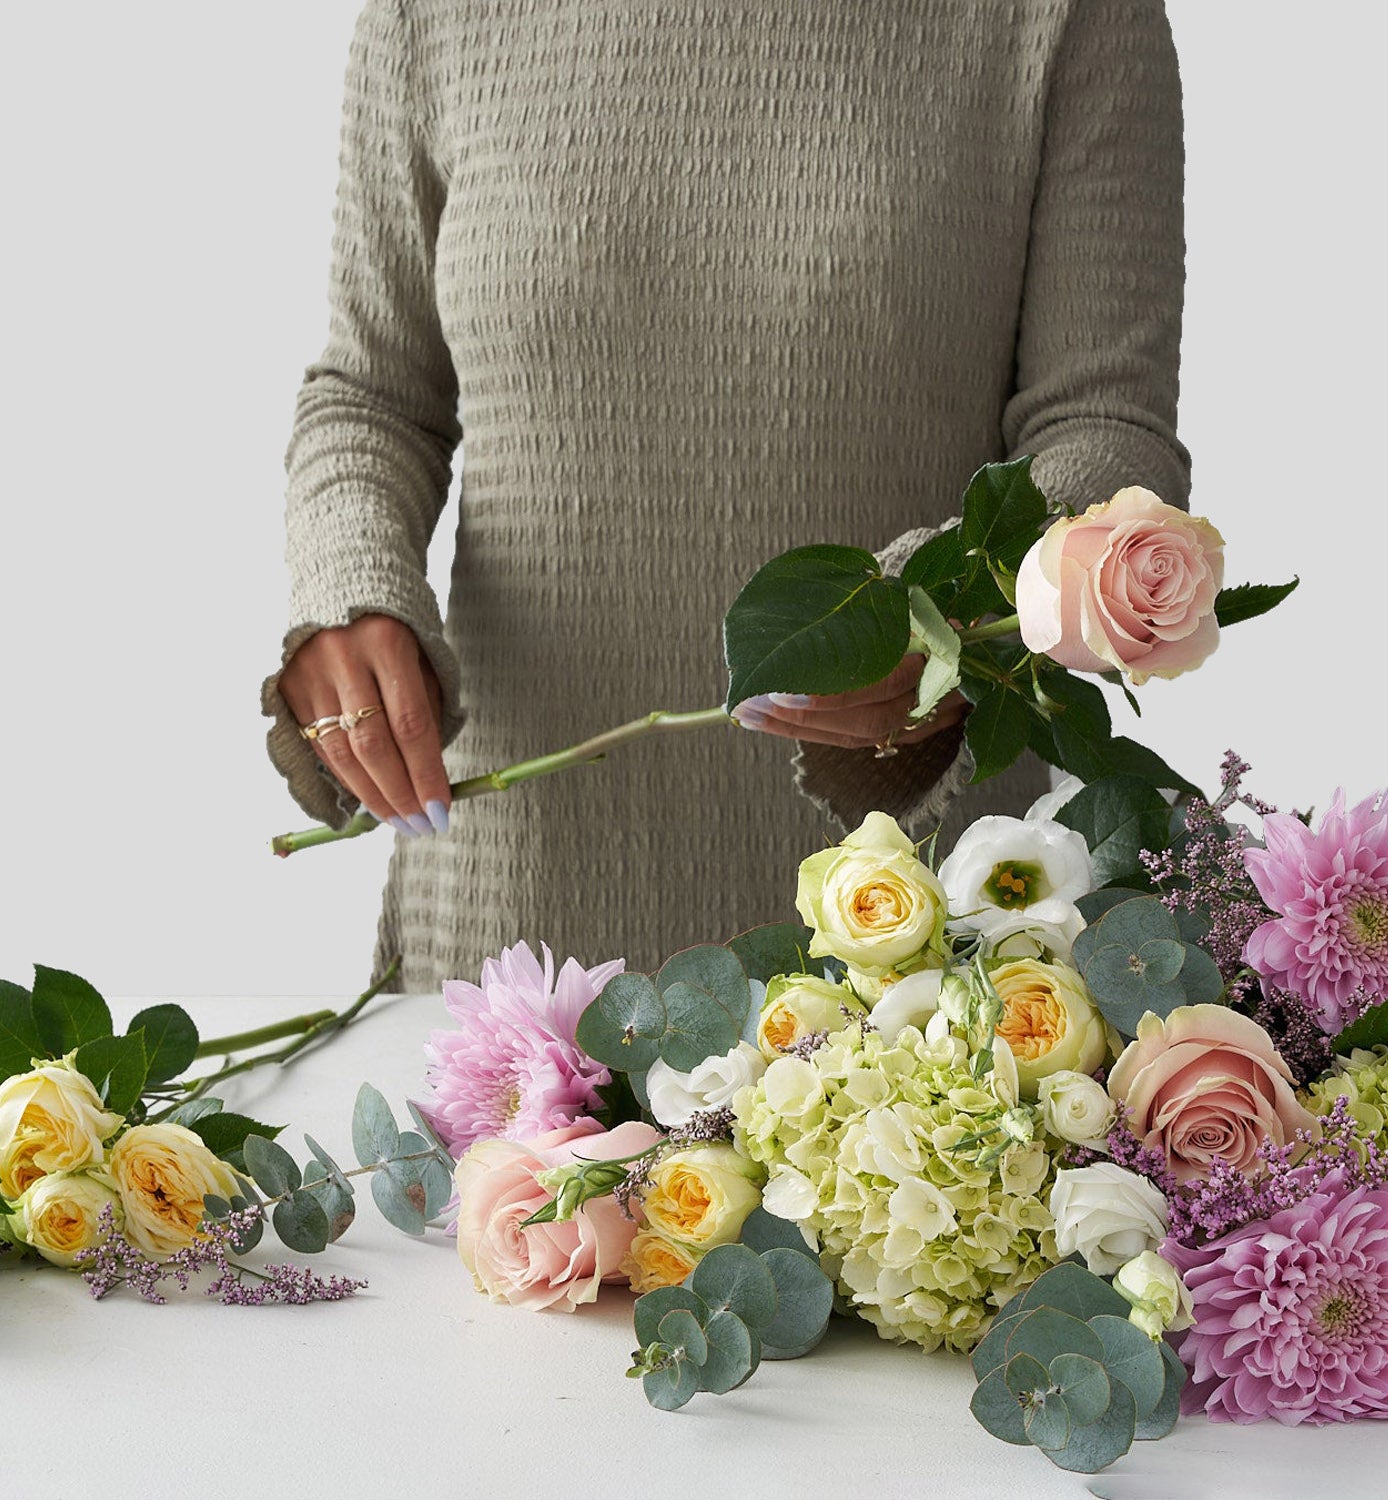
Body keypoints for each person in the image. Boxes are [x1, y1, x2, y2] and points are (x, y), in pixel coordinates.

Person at [262, 0, 1191, 992]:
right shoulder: (433, 15)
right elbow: (374, 395)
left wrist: (948, 606)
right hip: (515, 948)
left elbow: (1104, 427)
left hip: (914, 964)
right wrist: (348, 588)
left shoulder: (1067, 17)